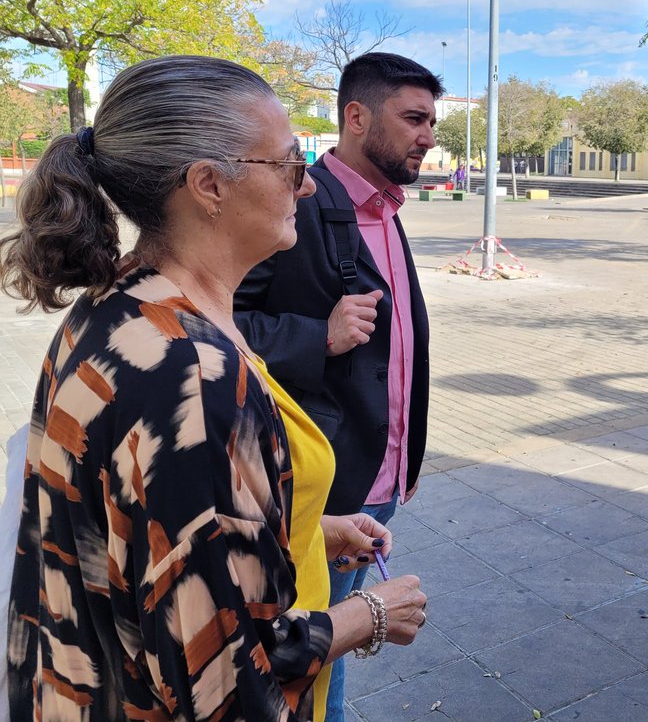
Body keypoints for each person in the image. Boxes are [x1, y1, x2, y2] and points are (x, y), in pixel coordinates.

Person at [0, 56, 428, 721]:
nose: (307, 188)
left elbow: (158, 534)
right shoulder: (194, 374)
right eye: (288, 166)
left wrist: (302, 529)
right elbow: (228, 688)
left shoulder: (121, 306)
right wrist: (367, 614)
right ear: (209, 185)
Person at [234, 52, 440, 720]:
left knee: (335, 646)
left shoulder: (385, 206)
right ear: (356, 117)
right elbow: (219, 325)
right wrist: (315, 335)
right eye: (413, 118)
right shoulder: (296, 203)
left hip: (377, 489)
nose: (429, 135)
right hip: (323, 487)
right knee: (316, 647)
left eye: (431, 120)